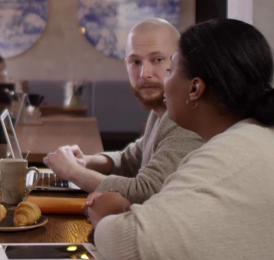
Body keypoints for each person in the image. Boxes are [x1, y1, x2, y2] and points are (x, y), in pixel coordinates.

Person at [87, 18, 274, 259]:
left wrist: (109, 214)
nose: (163, 81)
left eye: (171, 69)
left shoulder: (228, 155)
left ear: (195, 88)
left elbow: (127, 243)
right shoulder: (252, 136)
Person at [43, 18, 203, 204]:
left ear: (179, 62)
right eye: (135, 62)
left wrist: (72, 171)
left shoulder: (186, 119)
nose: (145, 73)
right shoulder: (160, 111)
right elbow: (129, 159)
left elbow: (146, 191)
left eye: (157, 59)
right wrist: (85, 161)